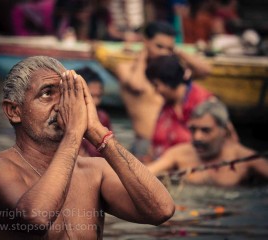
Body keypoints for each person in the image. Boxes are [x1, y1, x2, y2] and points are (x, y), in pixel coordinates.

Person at [0, 56, 175, 239]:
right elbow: (36, 219)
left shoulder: (95, 171)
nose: (63, 106)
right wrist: (74, 133)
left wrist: (97, 131)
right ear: (14, 111)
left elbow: (161, 210)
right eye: (47, 93)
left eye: (67, 95)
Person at [114, 21, 212, 159]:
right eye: (159, 46)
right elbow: (137, 85)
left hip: (175, 143)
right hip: (146, 145)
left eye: (168, 48)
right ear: (146, 42)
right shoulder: (126, 68)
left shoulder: (173, 72)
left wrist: (177, 52)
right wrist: (142, 56)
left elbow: (205, 71)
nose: (164, 53)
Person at [147, 100, 268, 187]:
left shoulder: (245, 158)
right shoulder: (179, 154)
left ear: (224, 131)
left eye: (206, 130)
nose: (197, 137)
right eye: (193, 129)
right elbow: (146, 174)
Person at [145, 55, 214, 160]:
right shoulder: (167, 107)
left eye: (156, 85)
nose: (156, 91)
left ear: (168, 81)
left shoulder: (204, 102)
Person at [76, 66, 112, 157]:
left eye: (99, 96)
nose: (96, 102)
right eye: (91, 96)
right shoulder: (68, 121)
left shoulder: (102, 117)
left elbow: (113, 149)